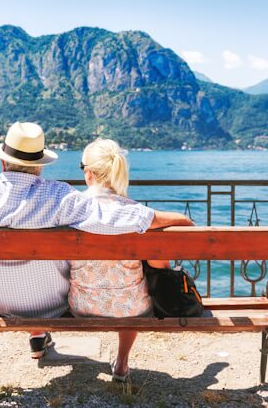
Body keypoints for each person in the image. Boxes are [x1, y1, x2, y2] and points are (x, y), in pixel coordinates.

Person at [0, 122, 193, 359]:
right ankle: (41, 330)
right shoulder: (58, 196)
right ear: (40, 166)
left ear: (3, 160)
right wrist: (171, 218)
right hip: (51, 308)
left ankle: (37, 336)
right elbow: (113, 219)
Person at [68, 138, 193, 381]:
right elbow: (185, 223)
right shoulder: (137, 213)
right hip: (132, 309)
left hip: (80, 306)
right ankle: (122, 364)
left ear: (89, 173)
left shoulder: (70, 208)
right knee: (132, 287)